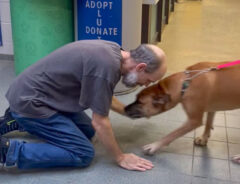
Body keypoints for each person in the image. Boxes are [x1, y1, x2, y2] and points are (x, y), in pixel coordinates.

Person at [0, 40, 167, 171]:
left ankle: (20, 121)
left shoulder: (115, 51)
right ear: (141, 67)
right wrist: (120, 157)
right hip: (31, 101)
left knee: (88, 132)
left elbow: (103, 95)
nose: (146, 85)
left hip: (43, 96)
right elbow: (100, 122)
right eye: (149, 80)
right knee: (82, 153)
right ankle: (7, 151)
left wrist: (129, 112)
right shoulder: (106, 66)